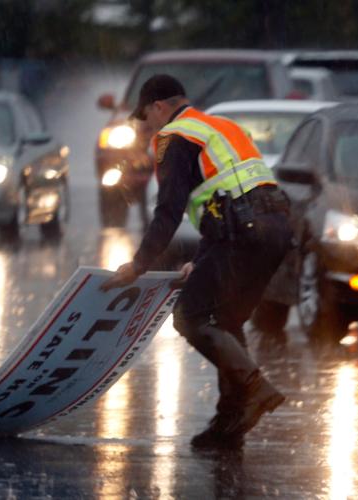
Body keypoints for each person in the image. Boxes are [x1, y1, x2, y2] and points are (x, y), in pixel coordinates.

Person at [101, 74, 293, 448]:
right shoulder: (221, 127)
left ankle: (254, 388)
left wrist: (139, 265)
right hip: (275, 228)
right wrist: (201, 259)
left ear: (158, 106)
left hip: (243, 232)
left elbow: (168, 211)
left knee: (191, 316)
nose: (148, 128)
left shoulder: (174, 137)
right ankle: (230, 422)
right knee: (226, 320)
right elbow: (224, 198)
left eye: (147, 118)